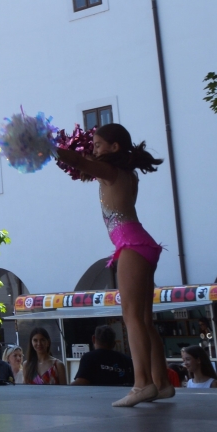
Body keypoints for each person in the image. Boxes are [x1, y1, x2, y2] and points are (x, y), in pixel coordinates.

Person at [54, 123, 169, 406]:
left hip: (131, 246)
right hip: (141, 244)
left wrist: (49, 149)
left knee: (131, 318)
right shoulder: (127, 175)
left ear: (114, 147)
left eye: (98, 145)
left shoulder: (110, 172)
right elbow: (85, 165)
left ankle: (143, 383)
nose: (93, 149)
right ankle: (162, 382)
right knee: (144, 320)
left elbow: (80, 161)